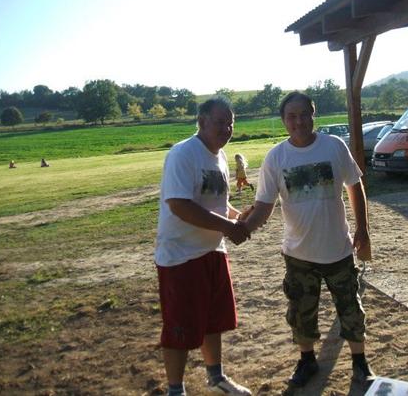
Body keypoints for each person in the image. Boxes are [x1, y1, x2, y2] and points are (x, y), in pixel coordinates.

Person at [242, 92, 375, 389]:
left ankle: (360, 362)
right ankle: (307, 360)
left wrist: (363, 228)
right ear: (283, 120)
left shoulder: (334, 146)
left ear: (313, 115)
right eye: (291, 116)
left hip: (338, 249)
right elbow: (264, 205)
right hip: (298, 254)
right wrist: (243, 228)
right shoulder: (276, 157)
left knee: (351, 309)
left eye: (304, 114)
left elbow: (355, 186)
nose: (299, 121)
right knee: (301, 312)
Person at [154, 97, 252, 396]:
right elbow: (179, 205)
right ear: (202, 121)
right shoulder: (183, 153)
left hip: (213, 250)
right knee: (180, 327)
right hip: (181, 256)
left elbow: (217, 202)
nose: (227, 128)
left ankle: (216, 377)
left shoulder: (219, 156)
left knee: (213, 320)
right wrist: (228, 228)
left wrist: (238, 217)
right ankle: (175, 390)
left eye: (230, 123)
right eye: (220, 122)